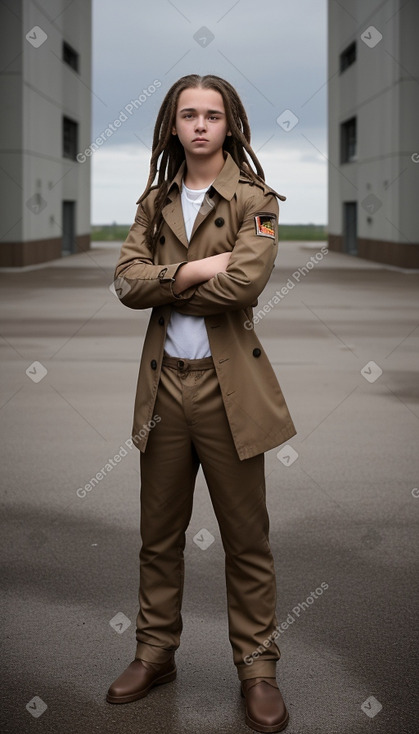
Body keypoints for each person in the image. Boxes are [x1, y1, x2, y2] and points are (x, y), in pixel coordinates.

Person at [106, 74, 296, 733]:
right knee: (157, 537)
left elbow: (245, 284)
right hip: (163, 389)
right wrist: (193, 270)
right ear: (171, 124)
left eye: (212, 114)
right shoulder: (152, 201)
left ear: (230, 123)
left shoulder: (260, 201)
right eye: (187, 114)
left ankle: (257, 667)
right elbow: (125, 283)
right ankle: (154, 652)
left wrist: (165, 283)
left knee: (247, 539)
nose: (199, 125)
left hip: (227, 392)